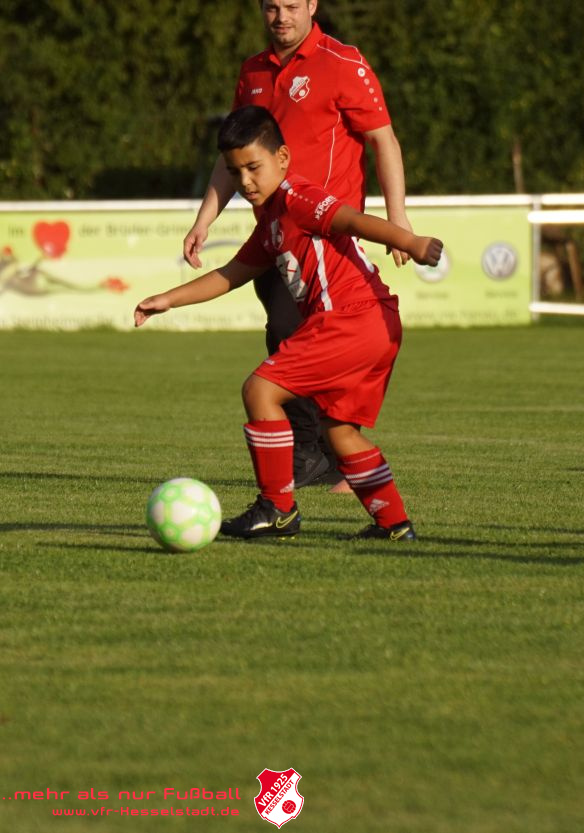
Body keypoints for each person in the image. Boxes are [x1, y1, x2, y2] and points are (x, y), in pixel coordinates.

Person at [137, 106, 441, 541]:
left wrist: (410, 240)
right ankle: (394, 524)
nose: (244, 182)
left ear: (282, 158)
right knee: (339, 432)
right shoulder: (272, 220)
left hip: (350, 319)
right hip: (377, 324)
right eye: (234, 172)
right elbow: (231, 273)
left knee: (259, 390)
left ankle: (276, 509)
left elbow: (352, 220)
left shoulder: (299, 198)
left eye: (253, 167)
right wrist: (167, 299)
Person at [183, 0, 413, 491]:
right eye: (271, 7)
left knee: (303, 337)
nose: (281, 16)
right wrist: (205, 219)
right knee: (284, 336)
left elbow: (384, 140)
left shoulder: (343, 62)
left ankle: (319, 455)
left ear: (312, 5)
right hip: (273, 235)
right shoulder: (252, 71)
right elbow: (233, 156)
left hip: (327, 239)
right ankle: (323, 456)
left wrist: (398, 218)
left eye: (291, 5)